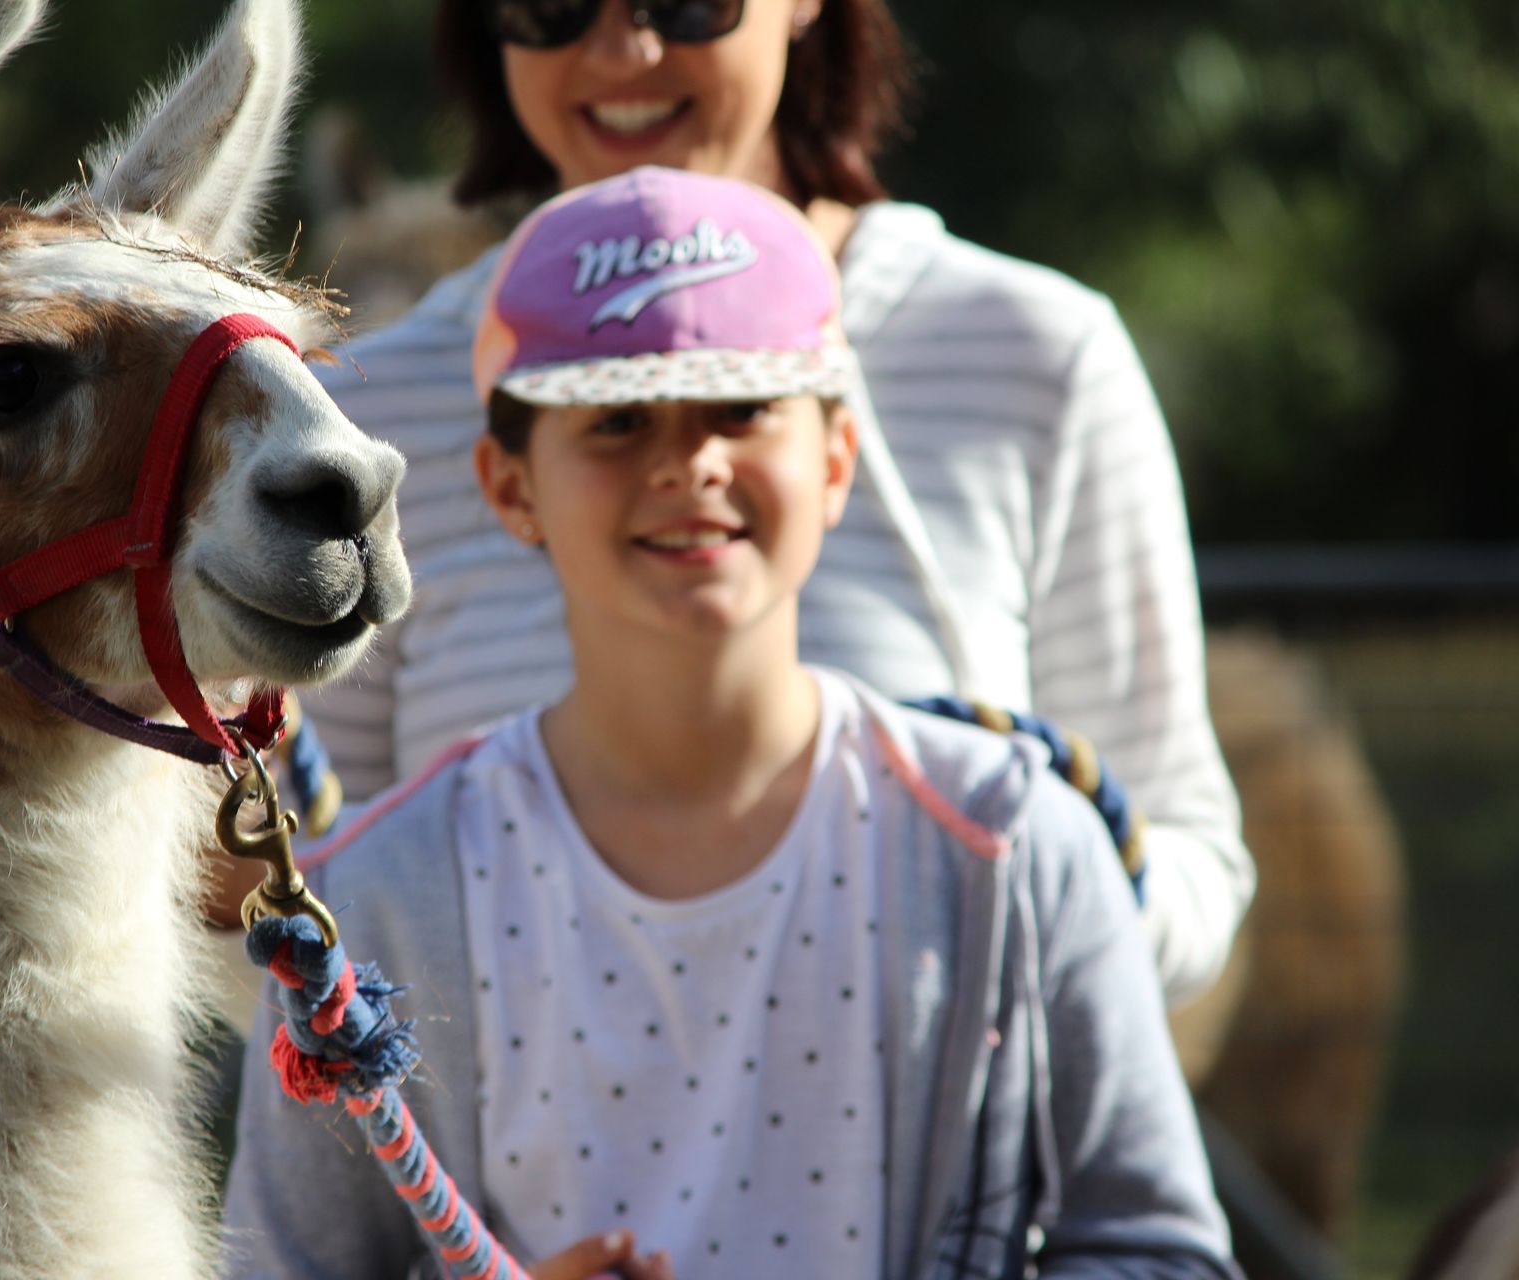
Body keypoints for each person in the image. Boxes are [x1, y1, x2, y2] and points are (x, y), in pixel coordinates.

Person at [224, 167, 1236, 1280]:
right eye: (616, 419)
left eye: (744, 405)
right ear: (510, 486)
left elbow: (1158, 1247)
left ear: (835, 456)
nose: (689, 461)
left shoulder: (1013, 844)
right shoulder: (380, 893)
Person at [291, 0, 1251, 1009]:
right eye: (551, 2)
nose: (625, 48)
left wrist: (1002, 917)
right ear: (506, 478)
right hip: (495, 1163)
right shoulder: (368, 418)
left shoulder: (1035, 357)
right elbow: (302, 905)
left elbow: (1185, 865)